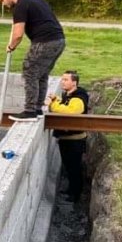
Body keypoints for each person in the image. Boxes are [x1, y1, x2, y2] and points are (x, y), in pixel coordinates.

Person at [0, 0, 65, 120]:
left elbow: (18, 35)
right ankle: (38, 109)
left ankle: (29, 111)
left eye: (2, 0)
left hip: (45, 41)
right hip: (59, 40)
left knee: (30, 72)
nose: (3, 4)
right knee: (42, 74)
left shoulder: (20, 5)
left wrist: (11, 47)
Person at [47, 70, 89, 203]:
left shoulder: (78, 97)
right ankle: (71, 190)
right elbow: (66, 105)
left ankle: (75, 195)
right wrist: (57, 100)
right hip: (67, 139)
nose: (62, 82)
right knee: (69, 167)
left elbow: (71, 111)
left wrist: (53, 105)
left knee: (74, 168)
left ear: (74, 82)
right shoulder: (69, 95)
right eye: (62, 79)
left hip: (74, 141)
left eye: (66, 79)